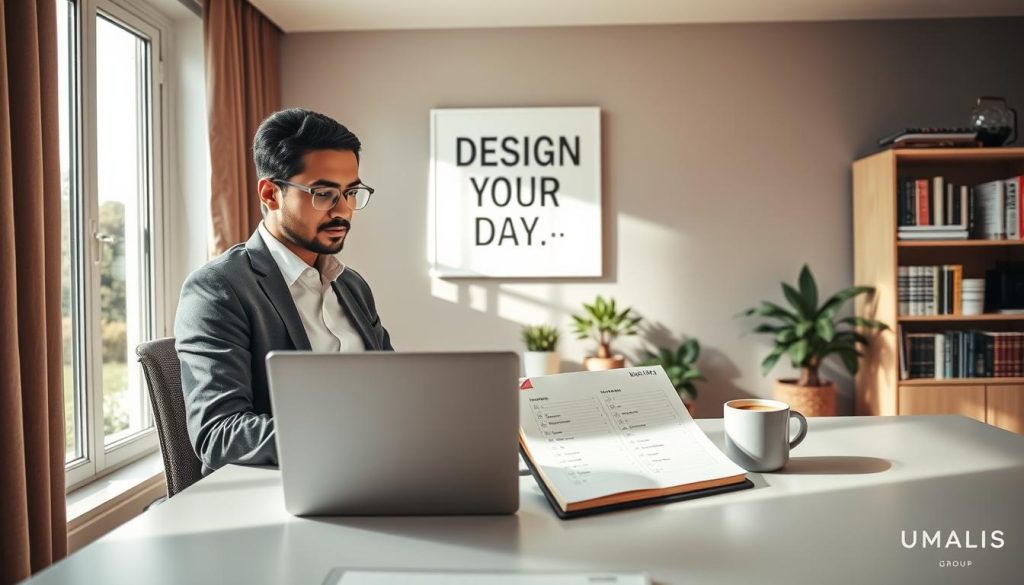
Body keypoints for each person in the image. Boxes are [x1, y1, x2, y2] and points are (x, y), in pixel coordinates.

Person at [175, 108, 393, 475]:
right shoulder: (217, 290)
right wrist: (345, 439)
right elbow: (219, 436)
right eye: (323, 193)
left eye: (351, 192)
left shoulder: (353, 287)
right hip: (283, 492)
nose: (343, 210)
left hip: (375, 475)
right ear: (271, 193)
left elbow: (394, 392)